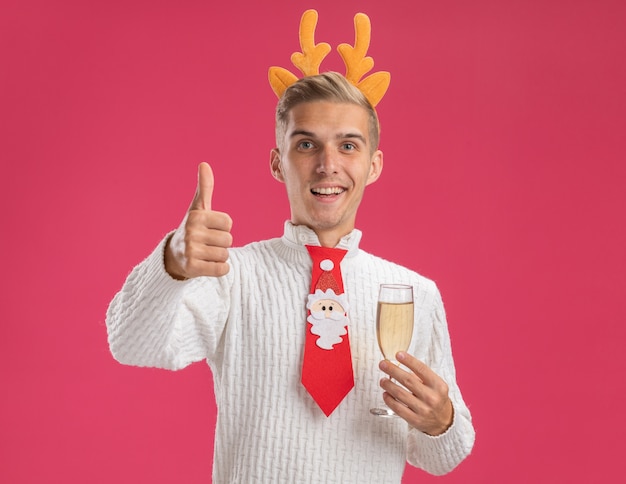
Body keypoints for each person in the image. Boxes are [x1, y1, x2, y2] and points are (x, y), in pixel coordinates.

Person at [106, 11, 474, 484]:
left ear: (374, 164)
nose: (327, 165)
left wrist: (440, 421)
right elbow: (132, 344)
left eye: (348, 146)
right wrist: (172, 263)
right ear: (278, 163)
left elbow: (444, 456)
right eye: (306, 145)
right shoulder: (231, 276)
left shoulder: (414, 293)